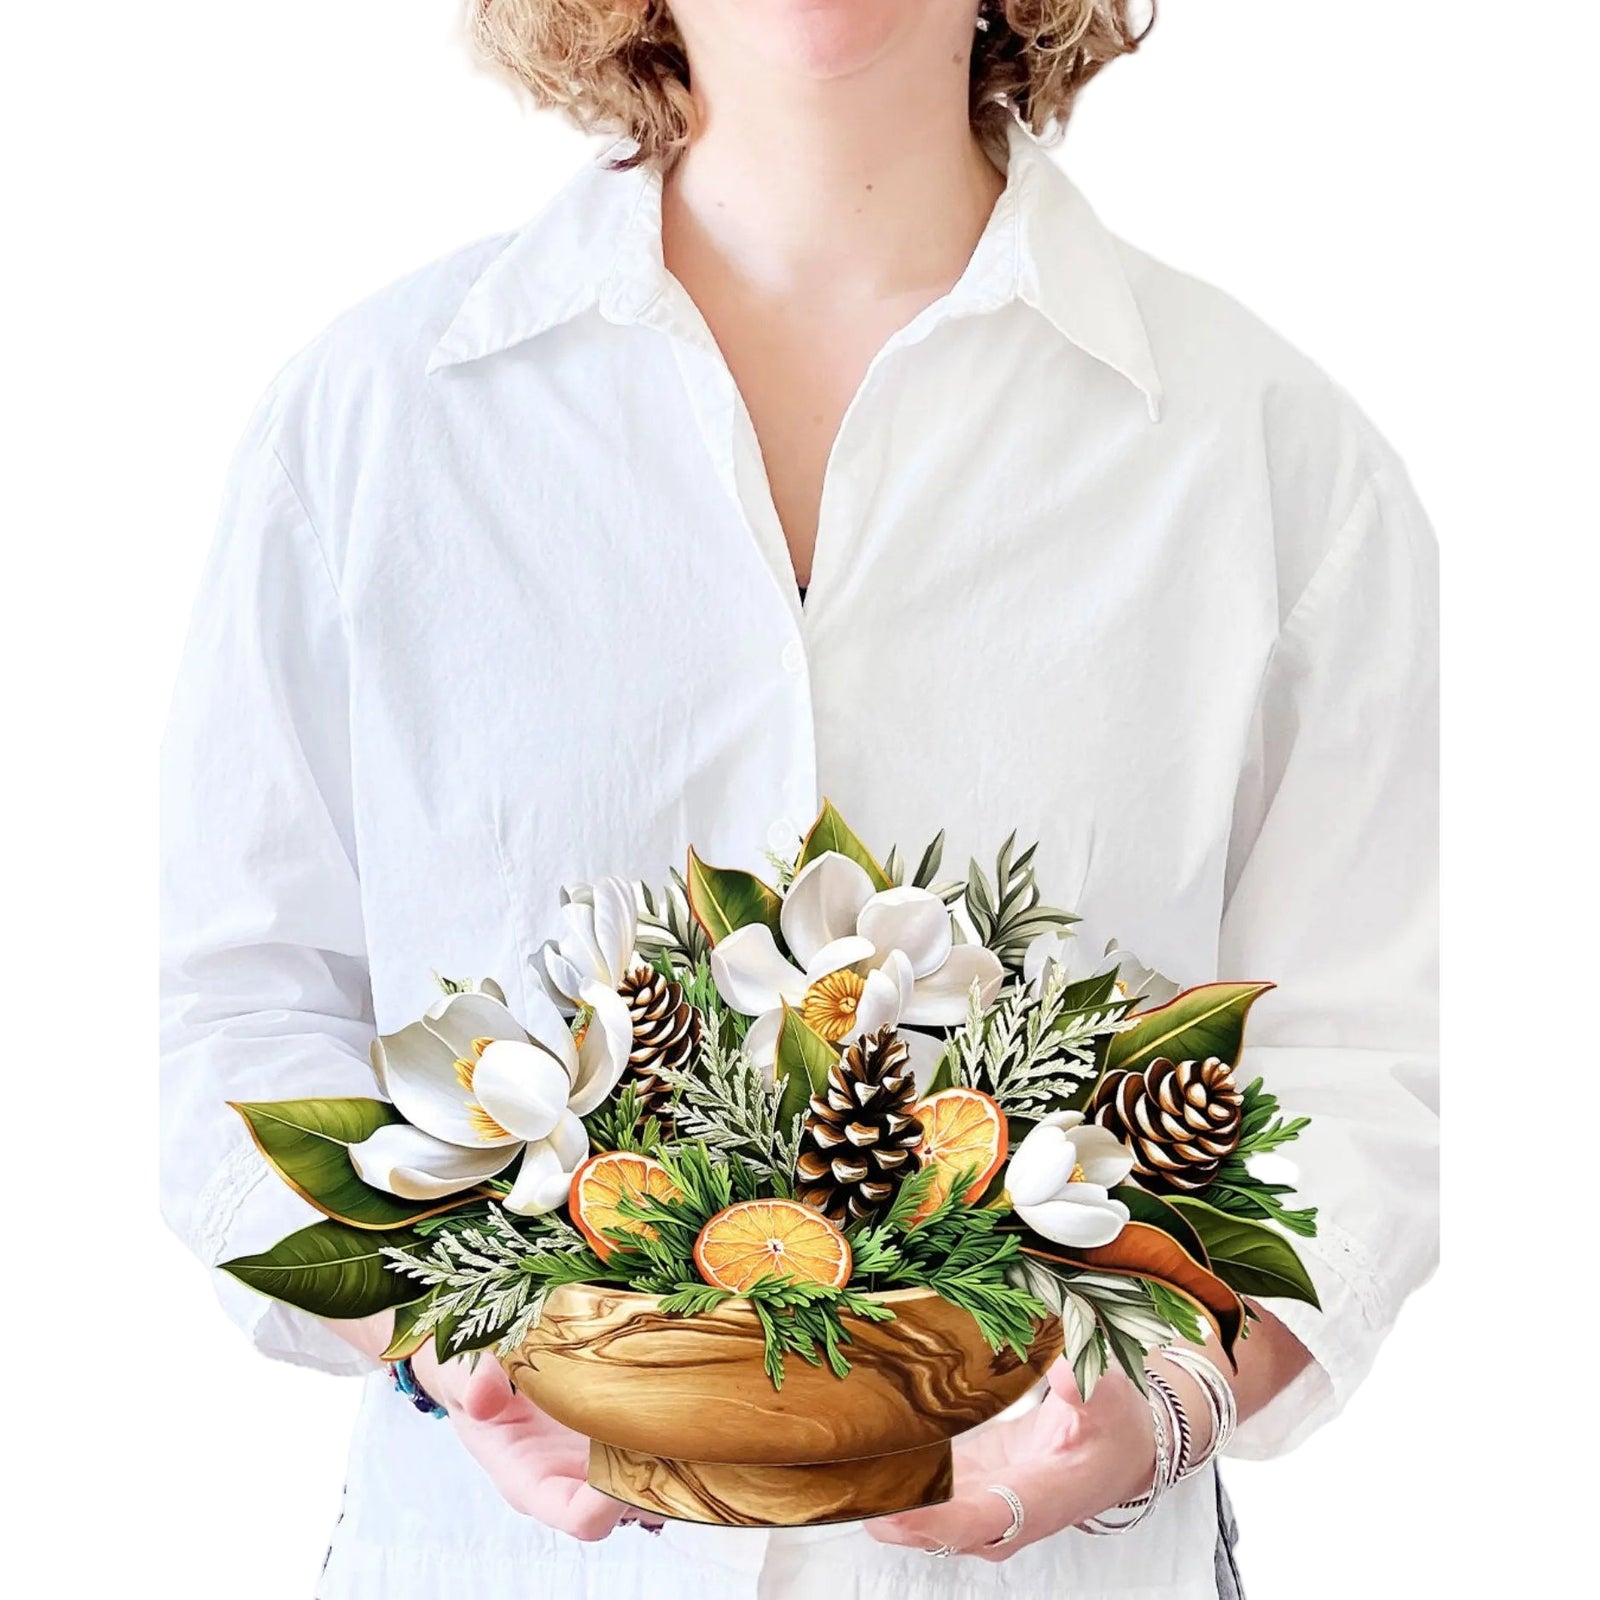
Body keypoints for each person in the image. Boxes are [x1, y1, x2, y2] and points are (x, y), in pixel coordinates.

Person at [159, 3, 1439, 1596]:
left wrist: (1162, 1408)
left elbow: (1360, 1066)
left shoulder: (1268, 455)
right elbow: (249, 1011)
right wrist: (449, 1343)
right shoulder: (372, 424)